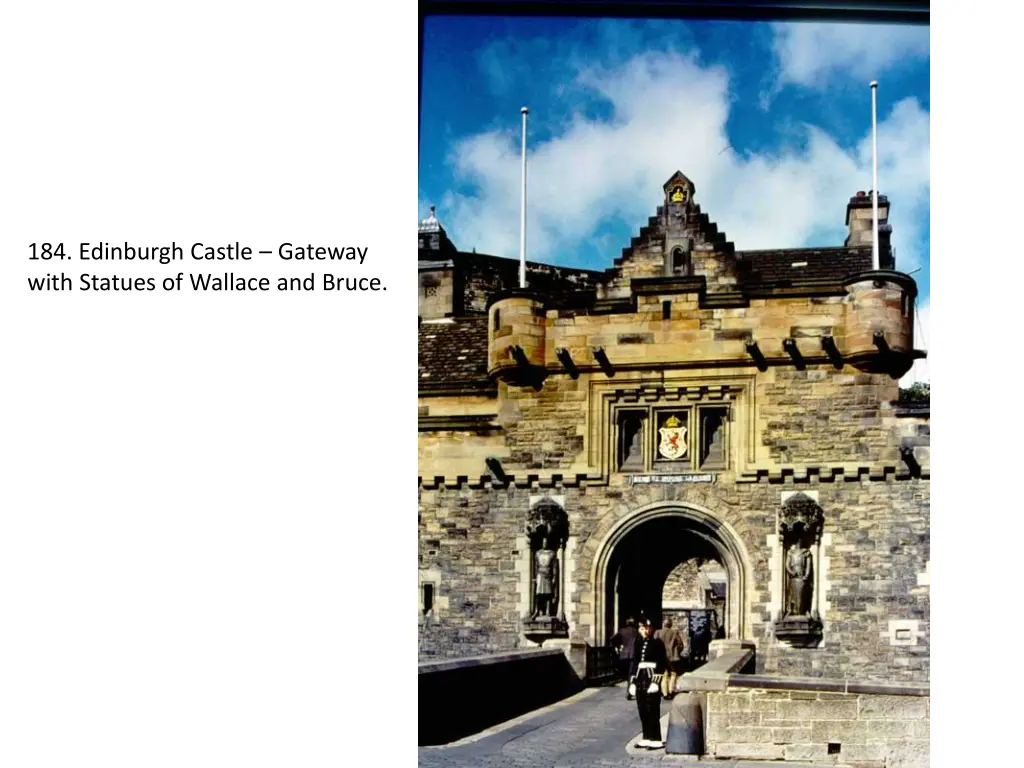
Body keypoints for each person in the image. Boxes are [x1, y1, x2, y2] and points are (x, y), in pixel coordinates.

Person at [628, 619, 668, 750]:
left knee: (652, 710)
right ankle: (646, 737)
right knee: (642, 709)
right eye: (642, 628)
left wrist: (656, 682)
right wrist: (632, 682)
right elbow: (635, 663)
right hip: (641, 678)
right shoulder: (638, 642)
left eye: (646, 628)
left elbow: (661, 663)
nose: (644, 631)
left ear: (651, 629)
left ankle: (656, 738)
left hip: (651, 677)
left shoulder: (657, 643)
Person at [654, 617, 684, 698]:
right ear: (670, 624)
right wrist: (677, 652)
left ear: (663, 624)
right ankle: (671, 691)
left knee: (664, 675)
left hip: (661, 657)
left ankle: (665, 693)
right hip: (672, 657)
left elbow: (654, 645)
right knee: (673, 674)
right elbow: (681, 644)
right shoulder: (674, 633)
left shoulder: (658, 632)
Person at [610, 618, 638, 697]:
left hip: (624, 654)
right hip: (634, 654)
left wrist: (618, 645)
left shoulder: (622, 631)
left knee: (626, 673)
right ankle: (629, 691)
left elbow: (612, 639)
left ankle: (629, 689)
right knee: (631, 673)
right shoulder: (637, 631)